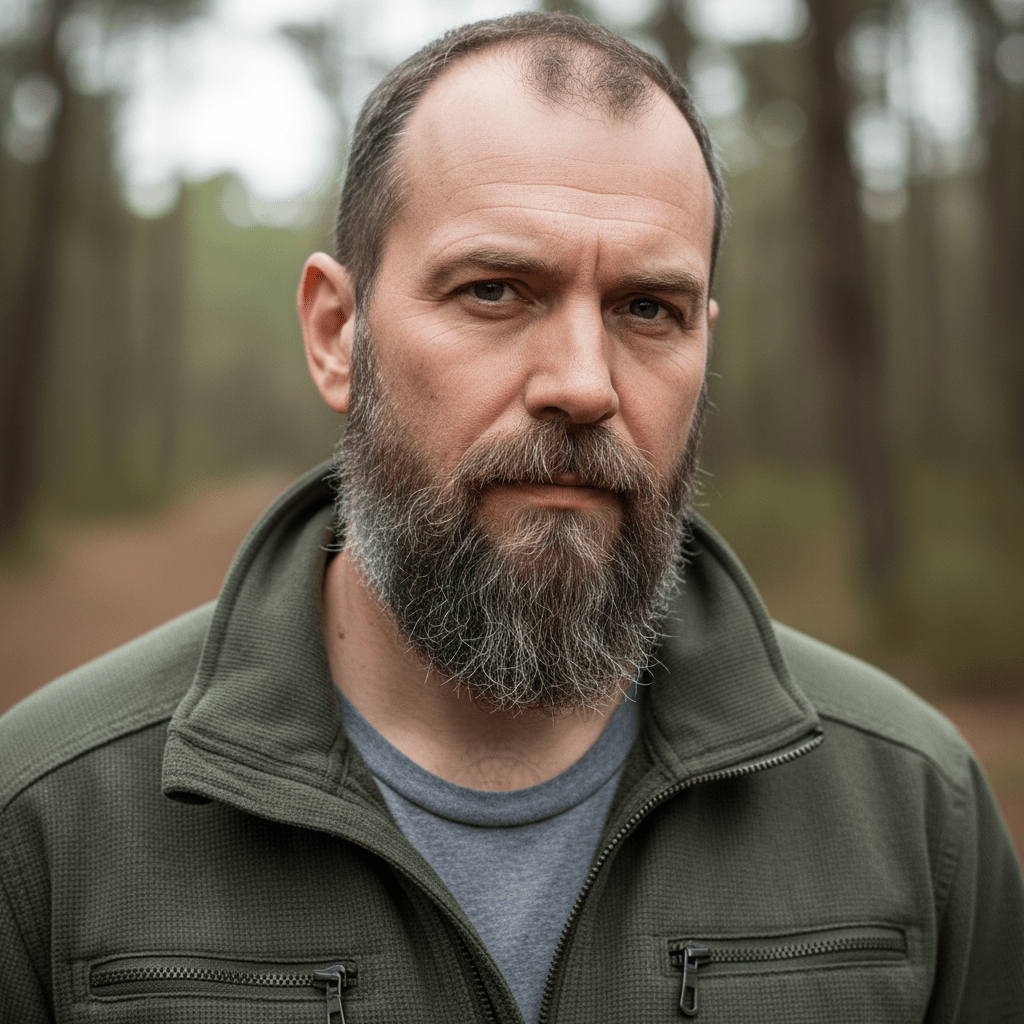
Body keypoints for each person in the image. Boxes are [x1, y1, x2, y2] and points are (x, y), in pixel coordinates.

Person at [1, 11, 1021, 1024]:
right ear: (334, 334)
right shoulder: (45, 823)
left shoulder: (914, 809)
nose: (583, 385)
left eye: (647, 310)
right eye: (494, 290)